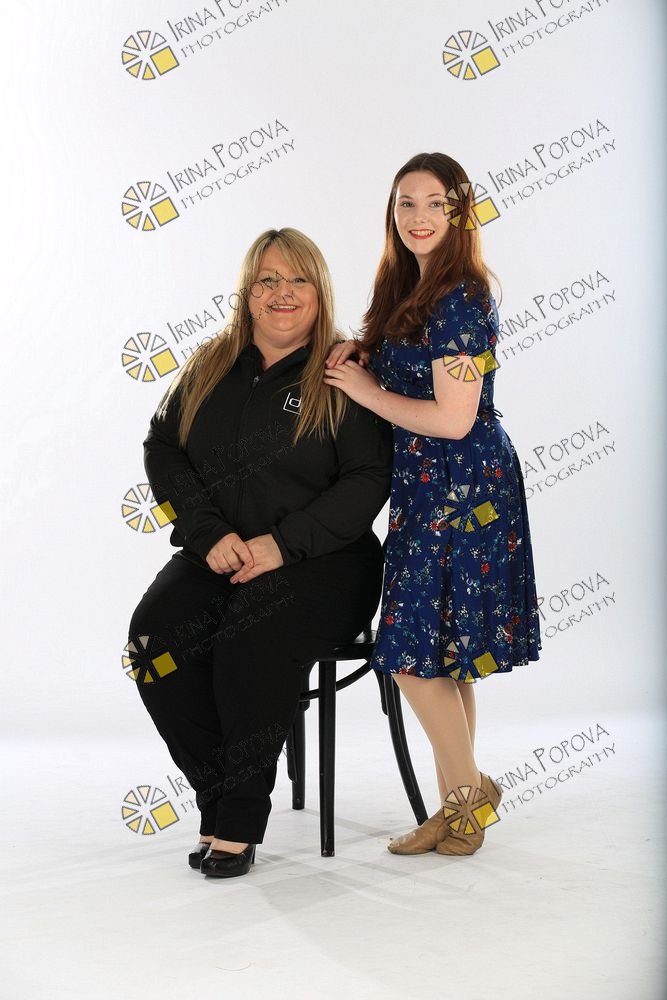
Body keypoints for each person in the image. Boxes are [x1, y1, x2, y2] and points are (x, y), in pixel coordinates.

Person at [128, 228, 392, 878]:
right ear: (247, 293)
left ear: (318, 291)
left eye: (297, 280)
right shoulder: (210, 363)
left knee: (251, 636)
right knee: (154, 642)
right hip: (219, 553)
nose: (282, 293)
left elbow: (367, 479)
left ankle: (238, 823)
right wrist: (207, 533)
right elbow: (163, 447)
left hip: (325, 562)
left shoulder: (343, 371)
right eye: (267, 280)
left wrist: (282, 544)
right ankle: (217, 796)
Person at [324, 153, 541, 857]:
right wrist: (366, 354)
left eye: (434, 203)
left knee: (410, 655)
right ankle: (460, 803)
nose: (418, 217)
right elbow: (415, 374)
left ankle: (466, 801)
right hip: (426, 487)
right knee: (440, 655)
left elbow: (453, 417)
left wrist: (365, 392)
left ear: (459, 212)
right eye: (405, 203)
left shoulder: (463, 298)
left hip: (465, 488)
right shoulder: (410, 287)